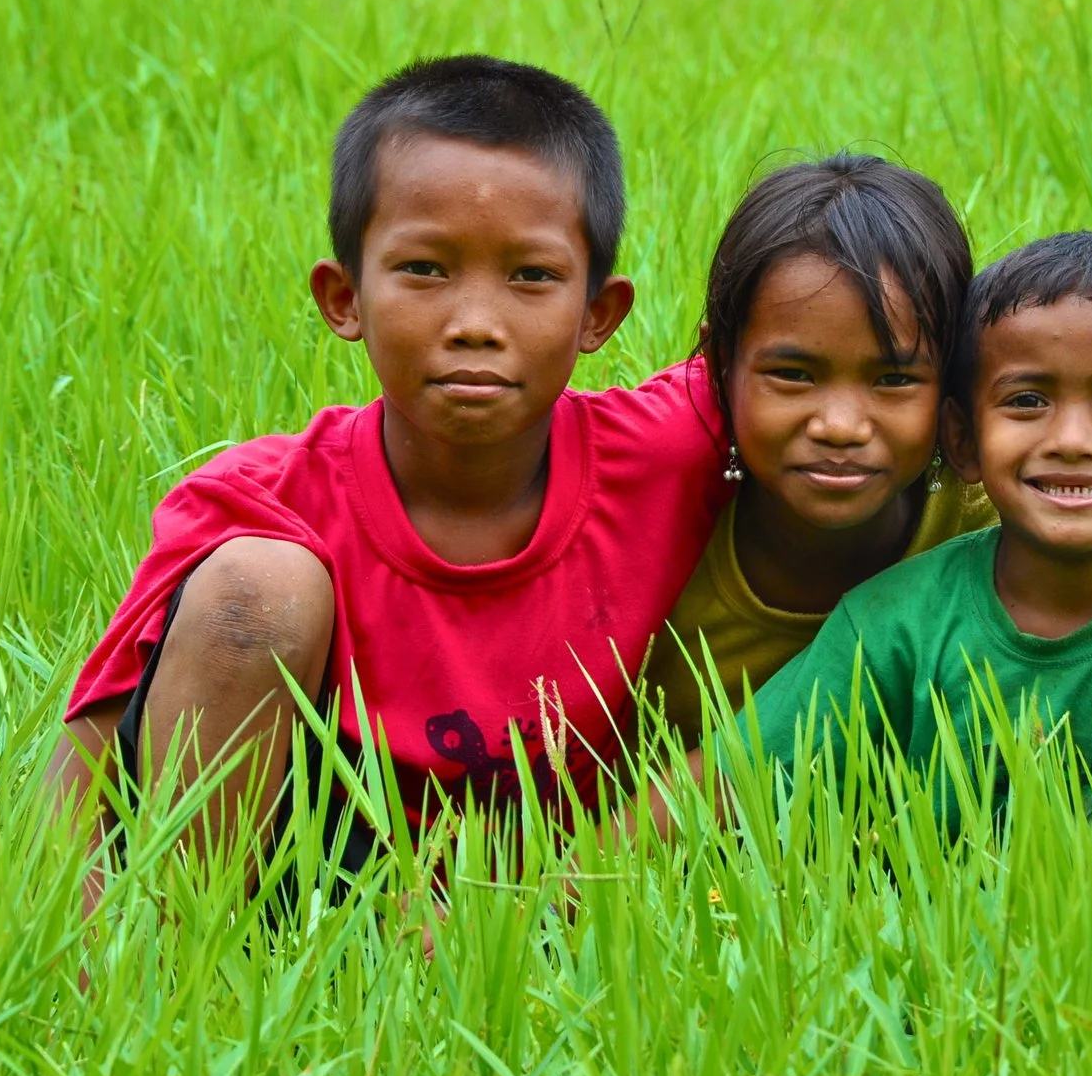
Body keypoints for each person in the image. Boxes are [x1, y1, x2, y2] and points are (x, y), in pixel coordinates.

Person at [47, 55, 729, 894]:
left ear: (599, 312)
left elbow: (836, 366)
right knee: (259, 583)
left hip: (552, 914)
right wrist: (64, 974)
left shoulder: (671, 449)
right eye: (425, 270)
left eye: (532, 277)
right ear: (344, 298)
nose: (475, 323)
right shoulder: (261, 498)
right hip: (301, 888)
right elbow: (91, 756)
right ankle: (190, 956)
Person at [642, 157, 1092, 745]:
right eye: (793, 374)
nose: (840, 424)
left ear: (955, 403)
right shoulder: (651, 505)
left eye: (895, 378)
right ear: (719, 364)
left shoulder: (1003, 514)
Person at [718, 230, 1092, 810]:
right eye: (1027, 400)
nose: (1069, 439)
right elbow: (728, 786)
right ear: (963, 441)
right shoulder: (891, 626)